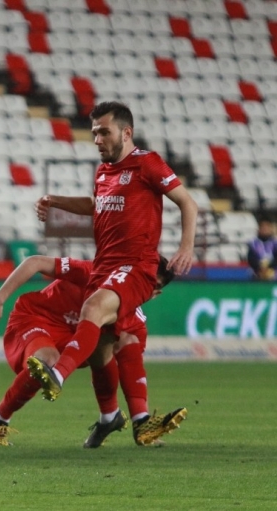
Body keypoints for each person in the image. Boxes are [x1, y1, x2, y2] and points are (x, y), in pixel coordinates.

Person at [30, 101, 197, 403]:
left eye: (104, 132)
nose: (97, 140)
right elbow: (95, 207)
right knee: (101, 349)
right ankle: (119, 418)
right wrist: (54, 200)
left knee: (92, 309)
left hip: (136, 264)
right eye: (94, 133)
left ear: (126, 132)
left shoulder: (148, 163)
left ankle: (58, 375)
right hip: (104, 265)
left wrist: (186, 247)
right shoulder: (103, 172)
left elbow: (188, 202)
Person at [0, 254, 186, 448]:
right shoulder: (93, 273)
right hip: (38, 318)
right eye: (143, 278)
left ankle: (118, 417)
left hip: (75, 337)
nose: (142, 286)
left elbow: (131, 369)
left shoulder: (135, 322)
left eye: (151, 285)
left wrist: (140, 410)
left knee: (119, 340)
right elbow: (35, 262)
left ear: (155, 294)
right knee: (48, 359)